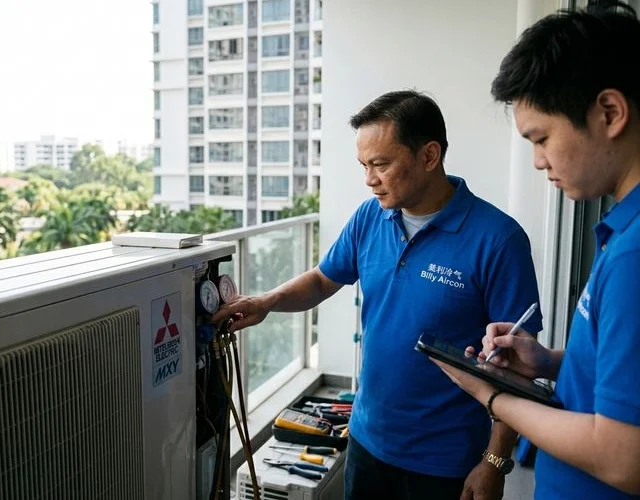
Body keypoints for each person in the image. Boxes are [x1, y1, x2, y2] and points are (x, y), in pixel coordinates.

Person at [212, 90, 543, 500]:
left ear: (429, 155)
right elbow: (322, 279)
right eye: (364, 165)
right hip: (367, 443)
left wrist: (494, 461)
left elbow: (517, 367)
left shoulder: (498, 239)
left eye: (381, 165)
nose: (369, 179)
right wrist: (267, 302)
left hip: (447, 461)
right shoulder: (371, 216)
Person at [430, 3, 640, 499]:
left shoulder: (634, 256)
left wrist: (492, 396)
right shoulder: (623, 231)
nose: (538, 162)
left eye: (541, 138)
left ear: (610, 113)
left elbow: (622, 458)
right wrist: (548, 362)